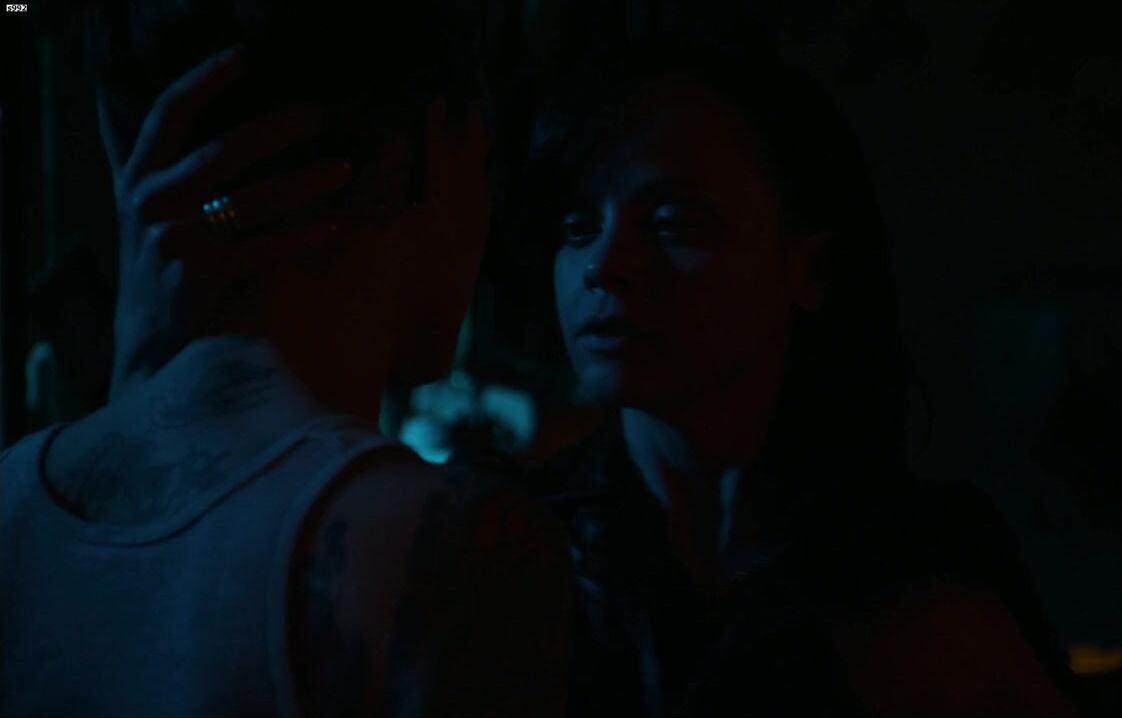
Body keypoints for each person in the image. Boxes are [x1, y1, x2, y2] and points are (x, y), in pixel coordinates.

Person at [0, 2, 571, 716]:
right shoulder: (447, 551)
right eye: (480, 157)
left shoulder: (15, 501)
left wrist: (138, 374)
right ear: (422, 153)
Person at [503, 35, 1085, 716]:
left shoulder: (927, 567)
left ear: (808, 268)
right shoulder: (514, 544)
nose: (605, 266)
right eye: (580, 228)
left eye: (672, 223)